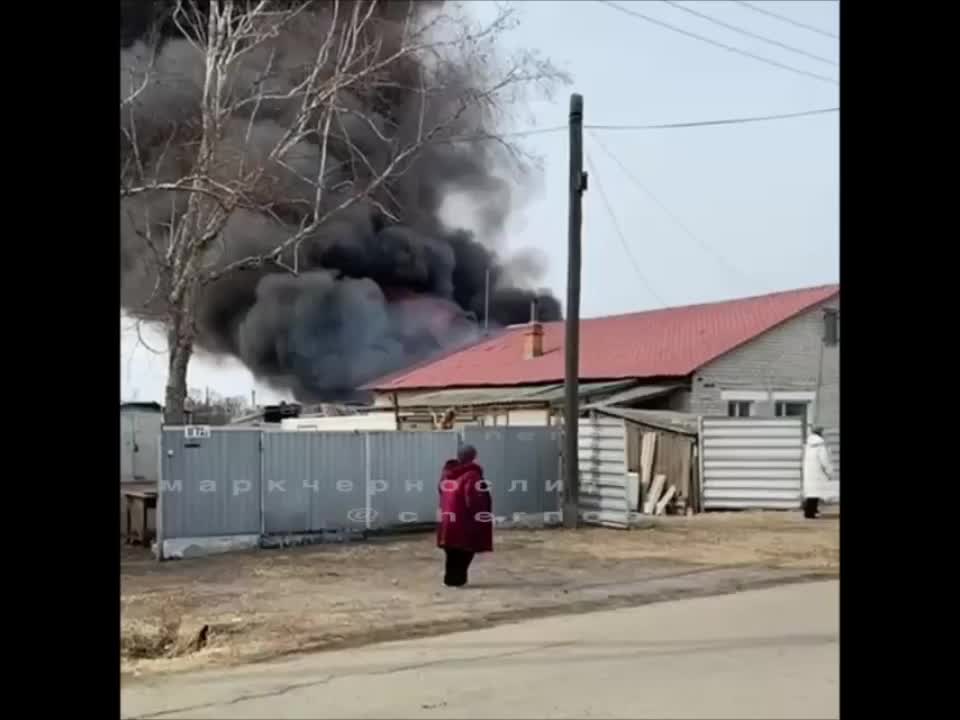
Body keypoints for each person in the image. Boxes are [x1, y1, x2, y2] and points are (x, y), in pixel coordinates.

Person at [437, 444, 493, 587]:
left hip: (448, 518)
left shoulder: (447, 474)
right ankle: (458, 579)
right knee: (466, 549)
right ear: (473, 457)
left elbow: (441, 491)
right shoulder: (472, 475)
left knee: (451, 549)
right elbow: (473, 499)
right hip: (464, 520)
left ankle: (451, 579)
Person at [802, 426, 835, 519]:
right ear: (820, 433)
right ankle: (810, 513)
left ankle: (812, 510)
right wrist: (830, 472)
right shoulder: (820, 446)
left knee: (812, 492)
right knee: (815, 492)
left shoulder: (808, 445)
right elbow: (825, 460)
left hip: (809, 472)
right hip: (818, 472)